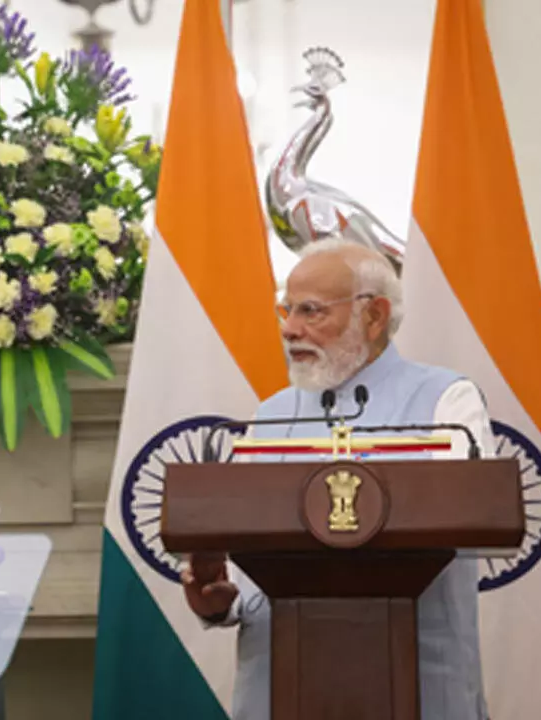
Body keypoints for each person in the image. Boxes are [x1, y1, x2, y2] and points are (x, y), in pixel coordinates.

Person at [181, 238, 491, 720]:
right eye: (286, 310)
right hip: (282, 683)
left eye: (310, 311)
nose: (289, 329)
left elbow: (469, 518)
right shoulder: (270, 415)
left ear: (374, 315)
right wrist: (219, 601)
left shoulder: (447, 402)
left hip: (415, 680)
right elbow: (243, 568)